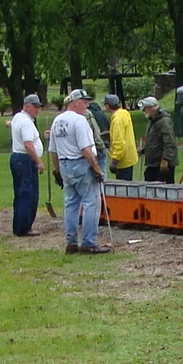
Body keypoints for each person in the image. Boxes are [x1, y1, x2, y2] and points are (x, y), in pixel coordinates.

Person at [48, 89, 110, 255]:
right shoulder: (79, 121)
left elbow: (53, 150)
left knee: (71, 204)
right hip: (81, 163)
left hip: (65, 164)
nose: (86, 105)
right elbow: (86, 149)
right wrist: (97, 169)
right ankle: (89, 242)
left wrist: (58, 171)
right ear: (74, 102)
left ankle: (71, 241)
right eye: (83, 102)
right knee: (91, 203)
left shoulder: (57, 121)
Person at [9, 93, 44, 237]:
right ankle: (24, 227)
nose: (37, 110)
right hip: (25, 159)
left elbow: (11, 124)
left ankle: (18, 225)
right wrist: (38, 161)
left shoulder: (18, 117)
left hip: (17, 158)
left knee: (20, 193)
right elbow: (28, 145)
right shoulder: (27, 122)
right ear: (27, 106)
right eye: (35, 107)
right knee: (28, 195)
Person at [139, 96, 178, 182]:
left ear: (152, 108)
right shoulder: (153, 121)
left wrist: (165, 160)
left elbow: (169, 142)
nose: (144, 111)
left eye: (145, 109)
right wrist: (144, 150)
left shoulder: (164, 121)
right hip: (154, 163)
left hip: (162, 164)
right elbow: (154, 140)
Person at [103, 93, 137, 180]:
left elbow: (119, 142)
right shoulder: (124, 114)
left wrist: (114, 161)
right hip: (129, 157)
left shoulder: (118, 120)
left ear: (107, 105)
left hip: (123, 160)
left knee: (123, 189)